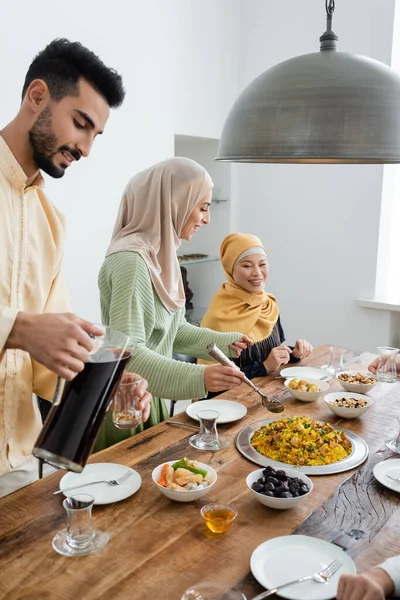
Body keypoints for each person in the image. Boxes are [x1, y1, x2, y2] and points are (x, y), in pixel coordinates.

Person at [0, 39, 151, 497]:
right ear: (38, 96)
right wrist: (17, 329)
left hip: (19, 468)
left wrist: (103, 383)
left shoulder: (51, 222)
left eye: (95, 135)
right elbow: (28, 333)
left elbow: (51, 358)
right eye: (80, 124)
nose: (85, 148)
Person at [95, 157, 252, 450]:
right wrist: (202, 377)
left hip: (149, 394)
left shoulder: (160, 257)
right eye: (203, 207)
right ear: (173, 202)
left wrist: (227, 343)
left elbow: (174, 330)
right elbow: (129, 355)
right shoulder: (131, 261)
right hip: (127, 404)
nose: (207, 219)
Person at [200, 233, 313, 379]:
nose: (257, 273)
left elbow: (271, 354)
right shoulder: (218, 317)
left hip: (266, 392)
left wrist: (293, 354)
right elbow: (213, 380)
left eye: (262, 264)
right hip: (228, 399)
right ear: (230, 269)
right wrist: (263, 367)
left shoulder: (268, 305)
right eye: (247, 265)